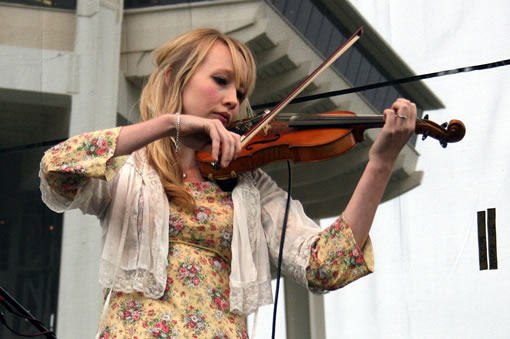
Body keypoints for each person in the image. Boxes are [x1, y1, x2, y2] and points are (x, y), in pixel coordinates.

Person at [40, 28, 416, 338]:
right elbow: (58, 168)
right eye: (220, 81)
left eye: (240, 92)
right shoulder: (129, 168)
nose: (232, 100)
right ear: (174, 78)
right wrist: (170, 124)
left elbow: (326, 265)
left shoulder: (249, 185)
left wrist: (381, 163)